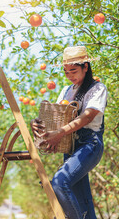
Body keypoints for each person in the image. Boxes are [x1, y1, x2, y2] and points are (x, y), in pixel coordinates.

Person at [30, 46, 108, 219]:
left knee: (59, 182)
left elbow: (87, 118)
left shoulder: (97, 89)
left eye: (73, 71)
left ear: (85, 67)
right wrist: (36, 123)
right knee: (83, 203)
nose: (70, 76)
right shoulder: (66, 91)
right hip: (71, 146)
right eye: (66, 72)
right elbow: (55, 117)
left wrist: (60, 132)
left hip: (90, 145)